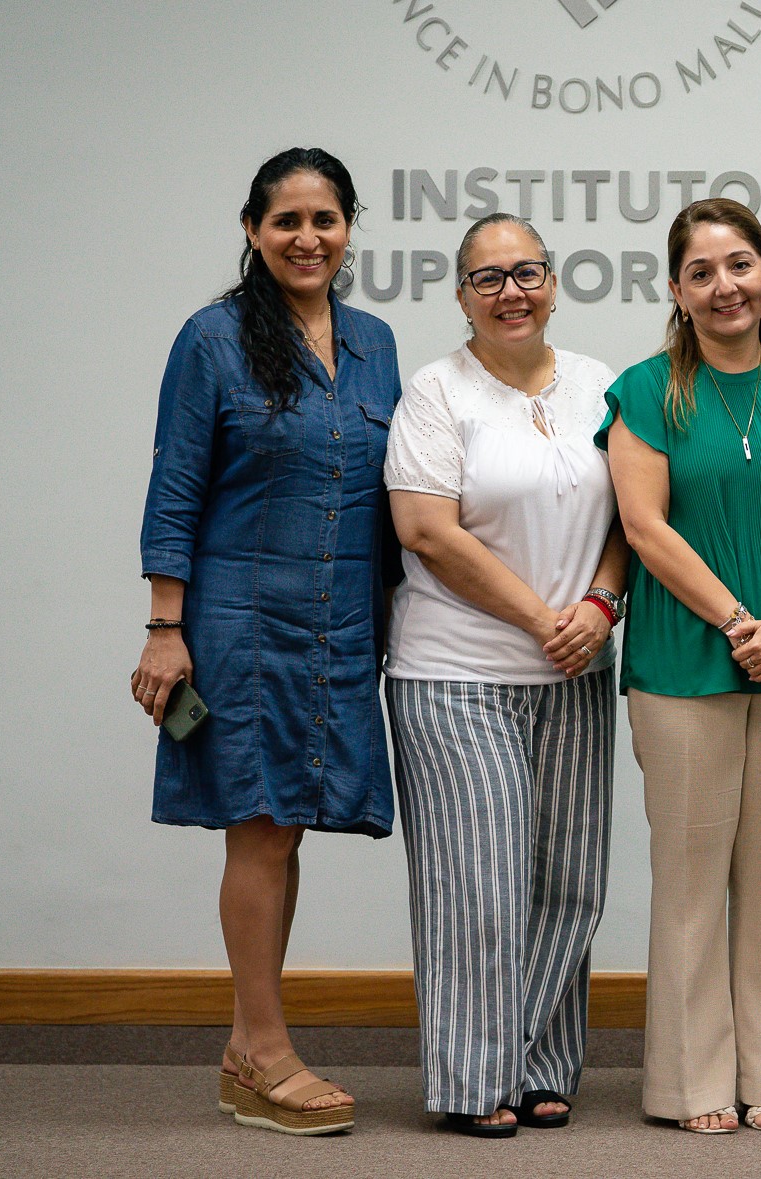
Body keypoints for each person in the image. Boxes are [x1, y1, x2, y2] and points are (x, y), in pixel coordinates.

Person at [133, 147, 399, 1135]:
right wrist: (166, 628)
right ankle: (262, 1049)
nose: (306, 237)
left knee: (285, 826)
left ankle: (250, 1047)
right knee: (259, 823)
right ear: (252, 231)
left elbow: (391, 492)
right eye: (286, 219)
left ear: (347, 230)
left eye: (324, 219)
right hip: (238, 624)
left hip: (337, 625)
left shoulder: (374, 342)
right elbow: (175, 491)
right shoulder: (210, 340)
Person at [600, 198, 761, 1134]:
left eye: (740, 264)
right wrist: (738, 619)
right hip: (682, 662)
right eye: (702, 271)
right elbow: (643, 527)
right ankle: (690, 1083)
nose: (725, 286)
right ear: (677, 289)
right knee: (691, 877)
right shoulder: (644, 390)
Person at [383, 213, 628, 1138]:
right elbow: (425, 531)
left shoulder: (603, 385)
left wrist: (600, 608)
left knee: (570, 878)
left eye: (526, 273)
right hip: (455, 669)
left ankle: (540, 1064)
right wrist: (541, 619)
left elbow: (635, 517)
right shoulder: (436, 393)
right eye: (487, 279)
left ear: (555, 283)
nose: (510, 292)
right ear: (461, 297)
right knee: (476, 881)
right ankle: (470, 1076)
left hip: (576, 666)